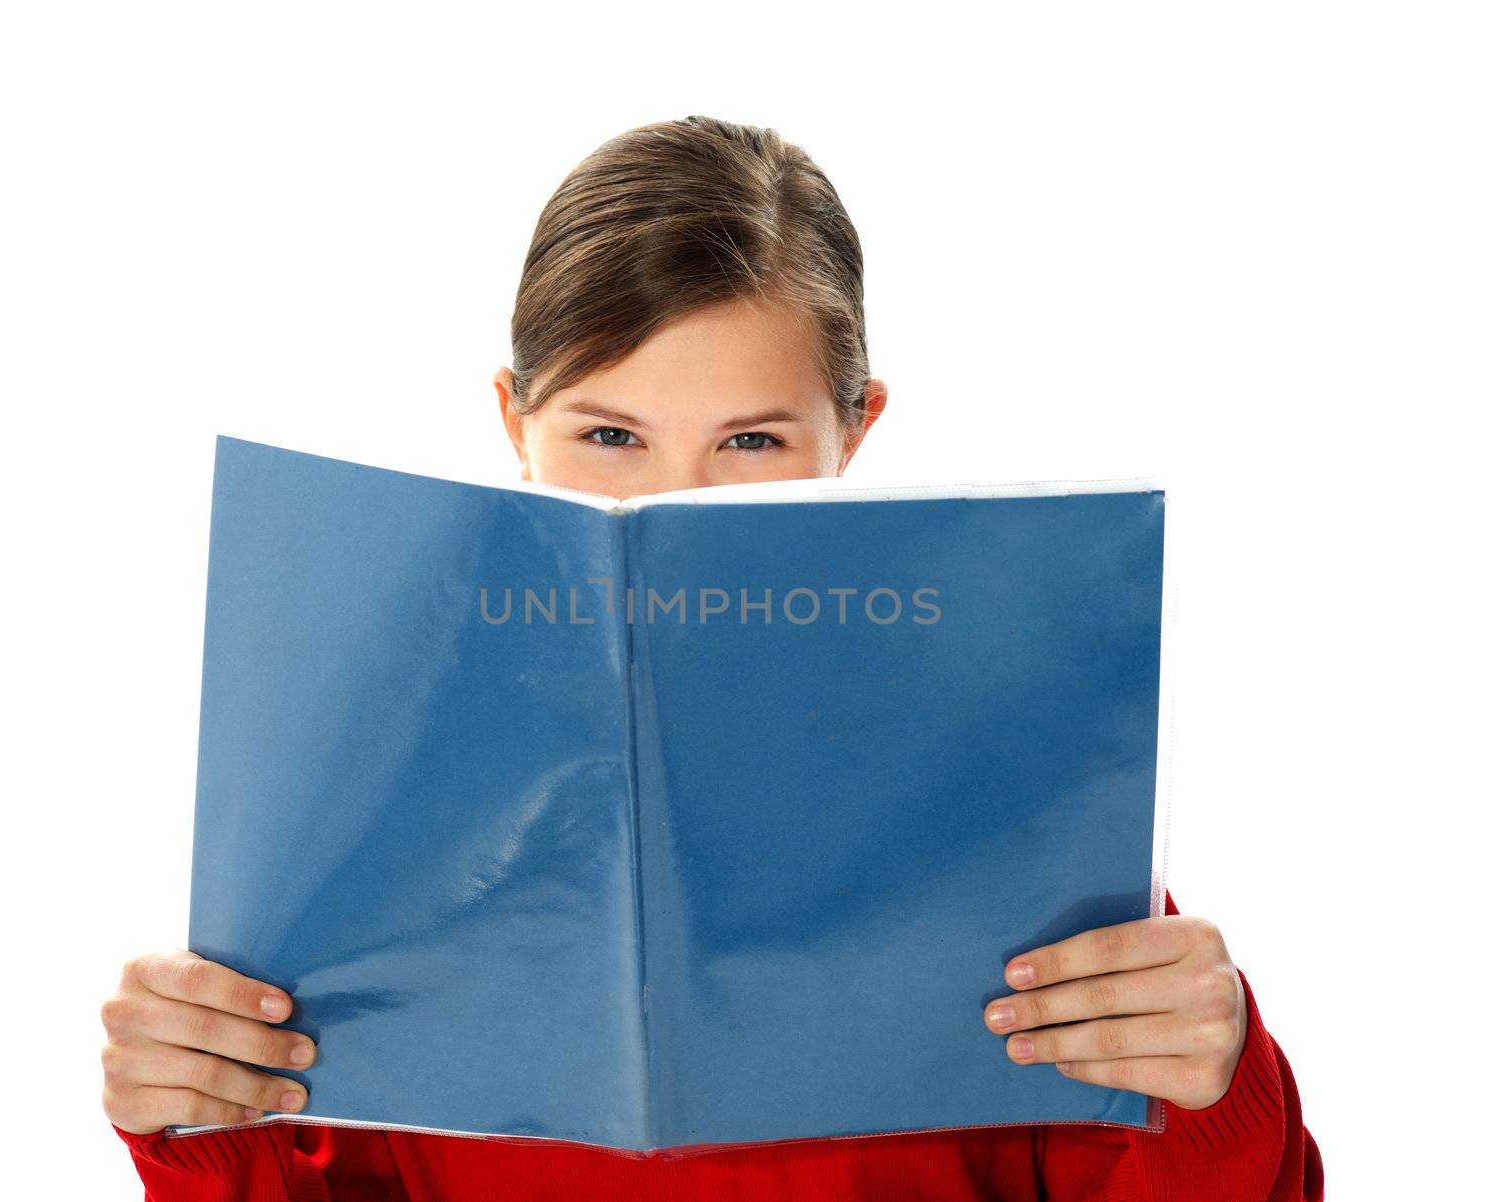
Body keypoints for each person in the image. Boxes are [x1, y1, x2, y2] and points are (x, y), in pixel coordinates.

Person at [103, 114, 1323, 1200]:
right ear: (510, 422)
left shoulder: (1008, 796)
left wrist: (1207, 1078)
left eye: (749, 437)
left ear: (856, 428)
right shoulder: (367, 802)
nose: (672, 505)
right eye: (609, 433)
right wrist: (196, 1114)